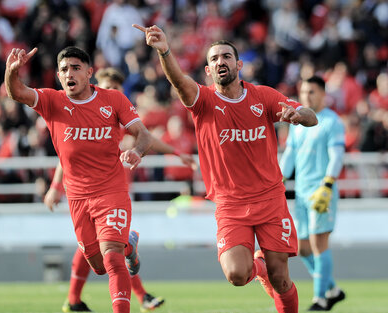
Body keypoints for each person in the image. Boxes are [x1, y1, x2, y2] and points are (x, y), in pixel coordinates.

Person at [134, 24, 318, 313]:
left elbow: (311, 118)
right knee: (237, 275)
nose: (221, 61)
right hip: (230, 204)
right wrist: (165, 51)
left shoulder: (264, 97)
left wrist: (298, 115)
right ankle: (260, 267)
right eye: (214, 59)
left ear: (239, 64)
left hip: (270, 198)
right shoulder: (203, 101)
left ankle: (271, 275)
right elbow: (180, 82)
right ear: (208, 70)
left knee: (281, 280)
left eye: (226, 56)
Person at [5, 46, 153, 313]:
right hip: (77, 198)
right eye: (63, 70)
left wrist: (136, 150)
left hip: (111, 191)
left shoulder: (114, 100)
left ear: (89, 72)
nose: (69, 73)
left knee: (112, 259)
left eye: (75, 68)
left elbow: (142, 133)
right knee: (98, 265)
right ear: (59, 77)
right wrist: (12, 72)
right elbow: (17, 92)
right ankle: (129, 243)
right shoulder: (52, 101)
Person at [44, 66, 196, 312]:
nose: (113, 92)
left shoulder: (118, 113)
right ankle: (76, 298)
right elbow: (67, 156)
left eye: (117, 89)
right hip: (83, 194)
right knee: (94, 252)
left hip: (113, 192)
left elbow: (147, 138)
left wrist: (176, 152)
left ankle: (137, 295)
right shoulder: (81, 113)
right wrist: (54, 186)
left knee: (111, 251)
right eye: (109, 88)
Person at [279, 76, 346, 311]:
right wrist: (278, 179)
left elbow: (337, 156)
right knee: (303, 248)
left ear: (323, 94)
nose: (307, 97)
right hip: (302, 192)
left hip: (321, 192)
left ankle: (320, 300)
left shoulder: (331, 122)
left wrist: (328, 185)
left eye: (312, 92)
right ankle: (333, 290)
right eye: (304, 92)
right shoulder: (298, 125)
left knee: (319, 244)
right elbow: (289, 157)